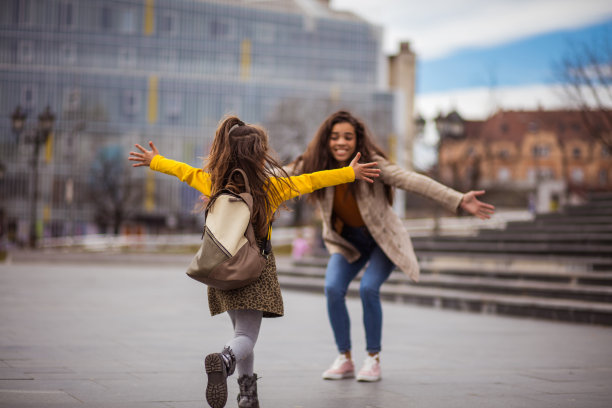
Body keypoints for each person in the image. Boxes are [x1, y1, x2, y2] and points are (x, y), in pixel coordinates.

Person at [128, 115, 380, 408]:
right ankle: (224, 360)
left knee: (241, 333)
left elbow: (185, 171)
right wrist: (348, 173)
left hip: (220, 268)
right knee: (246, 337)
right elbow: (310, 181)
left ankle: (247, 395)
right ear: (259, 155)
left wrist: (155, 161)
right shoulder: (269, 188)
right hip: (253, 271)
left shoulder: (213, 182)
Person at [288, 110, 495, 383]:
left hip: (381, 242)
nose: (341, 142)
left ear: (357, 140)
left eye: (347, 137)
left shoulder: (374, 165)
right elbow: (277, 177)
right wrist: (229, 184)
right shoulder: (313, 165)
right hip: (347, 242)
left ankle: (372, 359)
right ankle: (345, 358)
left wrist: (457, 199)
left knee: (368, 288)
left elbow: (413, 180)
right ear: (326, 140)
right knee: (332, 288)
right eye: (335, 137)